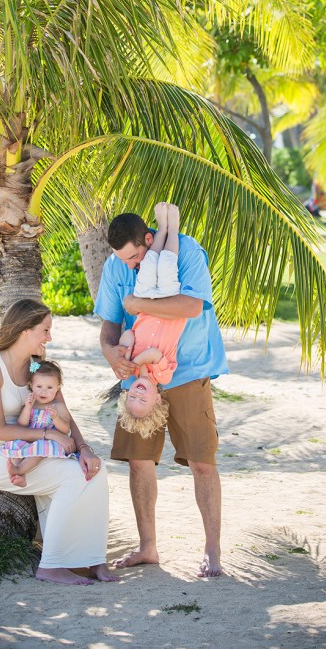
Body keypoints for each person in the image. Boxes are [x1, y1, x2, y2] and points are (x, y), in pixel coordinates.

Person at [94, 204, 228, 578]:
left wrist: (139, 303)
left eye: (136, 256)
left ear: (148, 240)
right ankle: (148, 548)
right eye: (126, 260)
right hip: (139, 379)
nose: (132, 265)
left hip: (187, 372)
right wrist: (111, 354)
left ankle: (212, 551)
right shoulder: (115, 265)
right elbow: (110, 322)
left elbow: (191, 305)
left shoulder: (186, 252)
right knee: (139, 460)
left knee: (201, 461)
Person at [0, 298, 118, 585]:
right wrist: (50, 435)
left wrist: (84, 449)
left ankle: (93, 560)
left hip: (34, 448)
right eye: (45, 330)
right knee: (72, 477)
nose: (50, 337)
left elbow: (64, 414)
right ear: (24, 330)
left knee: (95, 471)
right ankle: (51, 565)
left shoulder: (36, 368)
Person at [117, 202, 185, 432]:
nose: (137, 393)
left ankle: (161, 229)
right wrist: (134, 362)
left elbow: (129, 332)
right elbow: (154, 354)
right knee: (166, 263)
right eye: (142, 400)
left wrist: (124, 348)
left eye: (131, 397)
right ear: (157, 399)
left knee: (148, 264)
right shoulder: (164, 376)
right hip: (168, 301)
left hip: (145, 301)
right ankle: (172, 230)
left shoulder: (131, 368)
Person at [3, 358, 72, 488]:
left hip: (50, 441)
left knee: (40, 448)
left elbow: (65, 429)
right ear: (31, 385)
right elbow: (21, 425)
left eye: (49, 387)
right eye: (39, 386)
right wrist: (28, 408)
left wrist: (56, 418)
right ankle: (21, 476)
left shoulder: (59, 406)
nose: (43, 391)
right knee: (15, 444)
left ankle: (18, 470)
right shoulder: (31, 405)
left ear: (57, 388)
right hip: (30, 438)